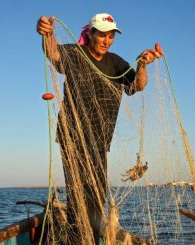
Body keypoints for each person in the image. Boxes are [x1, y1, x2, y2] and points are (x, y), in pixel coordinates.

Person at [36, 13, 163, 245]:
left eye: (111, 36)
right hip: (72, 137)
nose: (106, 40)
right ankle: (80, 240)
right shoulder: (76, 54)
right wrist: (47, 33)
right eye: (102, 34)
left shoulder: (116, 63)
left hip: (99, 142)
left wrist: (143, 64)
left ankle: (90, 240)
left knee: (96, 197)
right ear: (91, 33)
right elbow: (53, 53)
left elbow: (138, 86)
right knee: (77, 197)